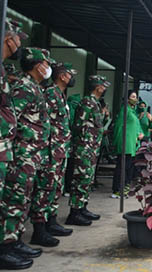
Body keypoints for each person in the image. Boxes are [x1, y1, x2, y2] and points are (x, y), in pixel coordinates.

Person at [1, 47, 55, 252]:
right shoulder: (24, 87)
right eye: (46, 64)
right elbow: (14, 119)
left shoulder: (34, 87)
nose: (48, 68)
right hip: (23, 154)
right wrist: (23, 146)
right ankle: (7, 245)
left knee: (23, 198)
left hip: (32, 154)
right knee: (14, 198)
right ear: (37, 65)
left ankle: (15, 241)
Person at [0, 20, 37, 271]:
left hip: (11, 148)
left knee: (16, 197)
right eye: (17, 37)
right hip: (14, 148)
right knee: (11, 199)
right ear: (7, 38)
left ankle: (11, 243)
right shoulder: (21, 84)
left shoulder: (3, 71)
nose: (19, 43)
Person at [33, 63, 76, 243]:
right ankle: (39, 230)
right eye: (70, 74)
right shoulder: (50, 93)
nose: (72, 78)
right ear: (62, 76)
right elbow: (45, 123)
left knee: (55, 188)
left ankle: (51, 221)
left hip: (59, 150)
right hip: (51, 150)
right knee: (45, 188)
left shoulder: (59, 94)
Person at [65, 75, 110, 226]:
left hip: (92, 148)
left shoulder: (95, 103)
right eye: (103, 86)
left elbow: (96, 125)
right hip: (84, 147)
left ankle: (82, 207)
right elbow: (78, 125)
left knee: (87, 179)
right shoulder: (87, 102)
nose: (104, 89)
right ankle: (74, 213)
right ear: (98, 87)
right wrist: (85, 140)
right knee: (80, 179)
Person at [110, 90, 144, 199]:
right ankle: (117, 190)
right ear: (127, 98)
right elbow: (119, 127)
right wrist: (117, 143)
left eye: (136, 97)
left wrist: (139, 134)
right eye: (133, 96)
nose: (135, 99)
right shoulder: (124, 110)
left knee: (128, 167)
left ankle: (124, 187)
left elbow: (136, 126)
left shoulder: (133, 111)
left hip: (132, 144)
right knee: (122, 167)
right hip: (125, 143)